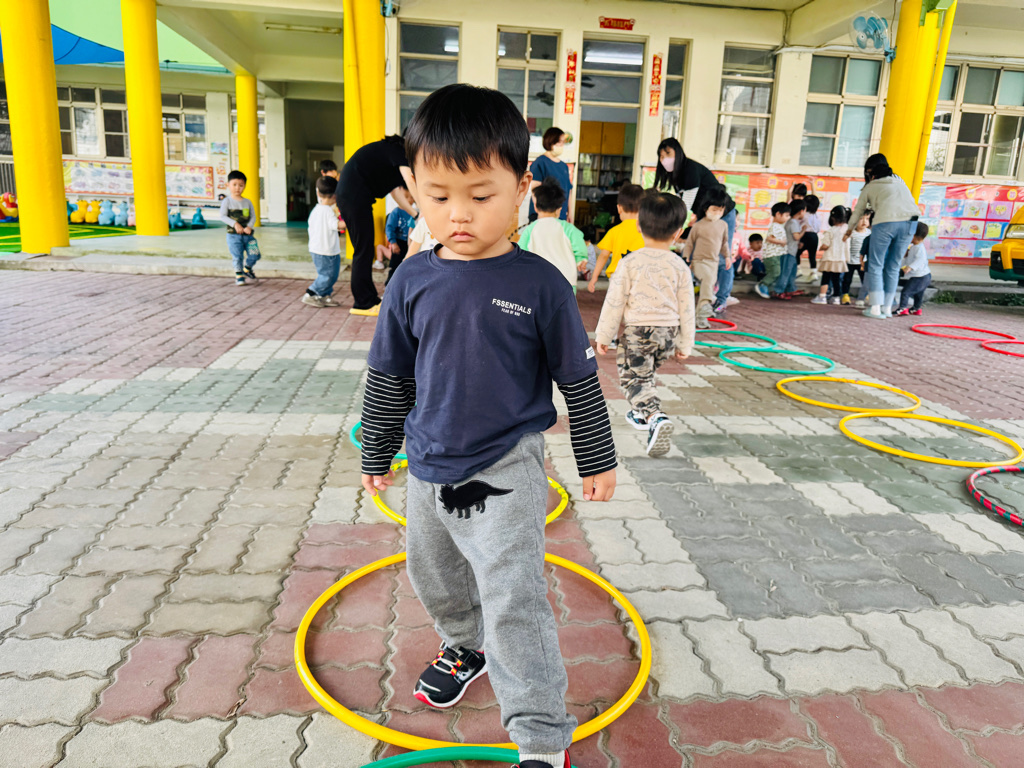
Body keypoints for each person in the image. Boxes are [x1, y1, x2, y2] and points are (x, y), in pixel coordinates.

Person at [358, 84, 617, 768]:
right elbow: (389, 376)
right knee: (436, 576)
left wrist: (597, 459)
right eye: (439, 195)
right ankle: (463, 646)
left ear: (522, 188)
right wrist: (378, 449)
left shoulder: (541, 285)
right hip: (426, 465)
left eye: (480, 195)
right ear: (414, 189)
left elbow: (578, 379)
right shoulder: (410, 281)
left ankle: (540, 734)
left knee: (513, 597)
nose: (459, 213)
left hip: (506, 466)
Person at [594, 190, 693, 456]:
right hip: (668, 335)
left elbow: (614, 302)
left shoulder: (630, 263)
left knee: (631, 378)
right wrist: (686, 343)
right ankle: (640, 413)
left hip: (638, 332)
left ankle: (655, 417)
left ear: (638, 226)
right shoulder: (680, 266)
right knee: (644, 376)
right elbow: (687, 308)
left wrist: (604, 335)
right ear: (678, 233)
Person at [337, 136, 419, 316]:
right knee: (363, 251)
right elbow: (410, 180)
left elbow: (396, 193)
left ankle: (370, 298)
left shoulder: (388, 156)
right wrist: (425, 208)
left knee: (365, 250)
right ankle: (363, 303)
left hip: (355, 198)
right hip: (354, 198)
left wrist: (416, 214)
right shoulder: (398, 151)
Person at [847, 155, 921, 320]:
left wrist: (849, 229)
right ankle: (887, 308)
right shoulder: (900, 182)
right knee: (894, 266)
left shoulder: (871, 185)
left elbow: (858, 210)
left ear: (872, 173)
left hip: (886, 222)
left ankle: (875, 308)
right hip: (911, 223)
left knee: (875, 265)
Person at [518, 179, 587, 291]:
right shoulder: (568, 228)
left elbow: (521, 252)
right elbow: (579, 245)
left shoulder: (530, 230)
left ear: (535, 207)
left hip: (537, 281)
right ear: (559, 209)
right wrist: (581, 259)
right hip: (566, 281)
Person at [682, 187, 731, 328]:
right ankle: (705, 309)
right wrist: (686, 258)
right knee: (708, 281)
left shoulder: (723, 225)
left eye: (720, 211)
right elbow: (689, 243)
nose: (717, 213)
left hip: (713, 262)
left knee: (709, 284)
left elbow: (724, 243)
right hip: (699, 261)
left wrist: (727, 257)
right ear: (706, 208)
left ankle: (701, 315)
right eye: (714, 210)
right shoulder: (698, 226)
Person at [586, 183, 645, 293]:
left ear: (619, 208)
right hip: (640, 276)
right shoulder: (647, 232)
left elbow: (603, 256)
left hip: (617, 277)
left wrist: (594, 277)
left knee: (615, 303)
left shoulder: (614, 231)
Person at [302, 176, 343, 308]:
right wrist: (350, 220)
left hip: (317, 249)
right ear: (335, 196)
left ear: (318, 193)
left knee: (327, 274)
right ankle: (311, 293)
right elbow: (337, 225)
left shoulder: (316, 210)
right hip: (327, 251)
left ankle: (324, 295)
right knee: (328, 276)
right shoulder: (327, 211)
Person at [220, 170, 260, 287]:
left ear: (245, 186)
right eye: (234, 185)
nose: (238, 188)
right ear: (228, 185)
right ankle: (239, 276)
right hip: (233, 236)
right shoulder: (227, 201)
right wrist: (235, 224)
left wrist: (249, 226)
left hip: (248, 236)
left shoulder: (247, 202)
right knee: (237, 257)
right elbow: (223, 216)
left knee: (255, 254)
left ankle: (247, 269)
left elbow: (253, 216)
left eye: (241, 185)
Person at [528, 127, 572, 221]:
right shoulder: (540, 163)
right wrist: (540, 212)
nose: (562, 145)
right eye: (559, 142)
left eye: (563, 142)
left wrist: (570, 213)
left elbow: (569, 191)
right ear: (551, 141)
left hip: (560, 215)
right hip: (542, 215)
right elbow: (535, 190)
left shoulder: (564, 166)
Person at [811, 206, 849, 306]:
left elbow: (826, 245)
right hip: (840, 259)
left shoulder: (831, 231)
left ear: (832, 218)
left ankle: (822, 296)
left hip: (830, 258)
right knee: (836, 279)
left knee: (826, 278)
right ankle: (836, 298)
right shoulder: (847, 231)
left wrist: (821, 247)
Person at [754, 202, 791, 299]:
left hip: (776, 255)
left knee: (776, 272)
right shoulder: (775, 226)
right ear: (778, 214)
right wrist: (782, 242)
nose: (788, 218)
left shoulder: (779, 226)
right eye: (786, 215)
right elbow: (769, 238)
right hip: (772, 255)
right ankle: (763, 284)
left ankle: (766, 286)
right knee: (775, 272)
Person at [896, 221, 932, 316]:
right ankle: (916, 308)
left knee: (906, 292)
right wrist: (900, 264)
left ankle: (903, 308)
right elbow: (908, 259)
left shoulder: (919, 248)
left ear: (914, 236)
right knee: (918, 293)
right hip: (923, 276)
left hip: (920, 277)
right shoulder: (914, 247)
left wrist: (910, 267)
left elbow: (920, 260)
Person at [384, 188, 417, 285]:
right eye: (407, 197)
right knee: (395, 266)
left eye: (412, 197)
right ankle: (389, 285)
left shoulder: (415, 213)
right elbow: (389, 228)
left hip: (410, 243)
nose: (410, 200)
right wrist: (393, 243)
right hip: (398, 243)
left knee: (407, 266)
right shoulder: (396, 212)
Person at [776, 198, 807, 299]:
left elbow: (792, 238)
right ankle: (779, 291)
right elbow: (796, 236)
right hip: (788, 252)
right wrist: (803, 231)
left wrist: (798, 243)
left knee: (792, 271)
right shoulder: (793, 222)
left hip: (791, 251)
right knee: (786, 272)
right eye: (805, 210)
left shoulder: (792, 222)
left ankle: (791, 289)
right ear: (801, 211)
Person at [842, 212, 871, 306]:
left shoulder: (869, 233)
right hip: (850, 261)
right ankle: (845, 295)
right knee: (847, 280)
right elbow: (844, 243)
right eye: (861, 219)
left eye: (867, 219)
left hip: (863, 262)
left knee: (865, 280)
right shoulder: (851, 233)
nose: (864, 221)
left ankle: (866, 295)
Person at [799, 194, 822, 284]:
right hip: (814, 236)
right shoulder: (817, 216)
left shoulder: (803, 215)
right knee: (812, 256)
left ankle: (798, 270)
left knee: (797, 253)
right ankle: (814, 273)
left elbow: (798, 226)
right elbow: (818, 228)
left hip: (804, 235)